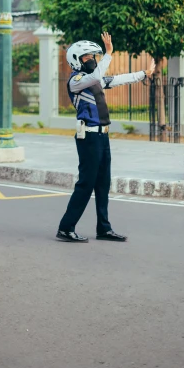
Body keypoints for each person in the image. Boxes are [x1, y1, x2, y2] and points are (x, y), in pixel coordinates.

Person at [56, 32, 155, 244]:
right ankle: (66, 227)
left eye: (94, 56)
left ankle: (104, 228)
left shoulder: (95, 80)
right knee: (86, 183)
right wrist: (108, 54)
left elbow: (118, 79)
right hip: (88, 138)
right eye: (87, 57)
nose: (92, 60)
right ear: (76, 60)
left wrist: (143, 73)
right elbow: (95, 76)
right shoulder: (77, 81)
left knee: (102, 183)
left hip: (103, 137)